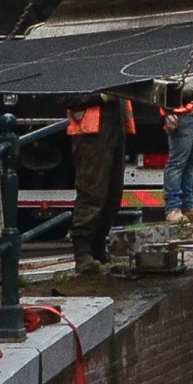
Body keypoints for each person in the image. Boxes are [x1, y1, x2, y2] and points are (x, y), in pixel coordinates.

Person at [69, 91, 134, 273]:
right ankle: (83, 253)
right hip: (92, 136)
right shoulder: (77, 70)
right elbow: (66, 97)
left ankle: (97, 249)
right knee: (92, 192)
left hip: (113, 131)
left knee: (112, 195)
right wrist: (100, 97)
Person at [162, 99, 193, 227]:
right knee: (178, 163)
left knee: (189, 162)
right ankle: (173, 208)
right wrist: (168, 112)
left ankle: (187, 206)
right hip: (183, 115)